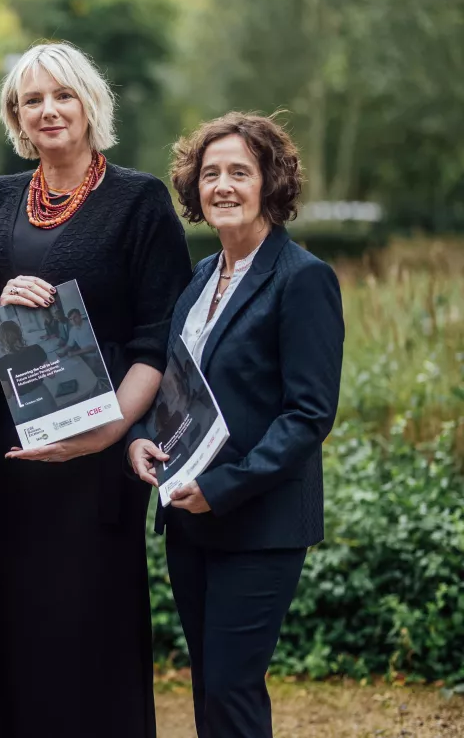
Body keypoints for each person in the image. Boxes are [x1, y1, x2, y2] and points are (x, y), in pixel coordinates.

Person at [0, 41, 193, 738]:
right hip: (4, 458)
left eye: (62, 95)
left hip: (96, 460)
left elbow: (160, 338)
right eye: (33, 99)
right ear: (17, 117)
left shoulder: (139, 200)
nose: (49, 110)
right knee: (6, 627)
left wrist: (109, 431)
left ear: (91, 103)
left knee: (85, 632)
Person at [128, 112, 344, 738]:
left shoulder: (303, 279)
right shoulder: (199, 279)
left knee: (231, 689)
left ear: (269, 182)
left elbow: (308, 416)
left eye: (239, 173)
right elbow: (176, 385)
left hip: (258, 522)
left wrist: (222, 488)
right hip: (190, 519)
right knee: (208, 687)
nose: (222, 185)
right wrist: (143, 435)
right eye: (210, 173)